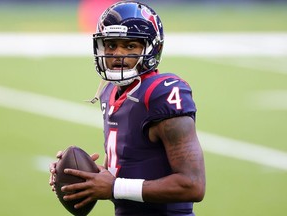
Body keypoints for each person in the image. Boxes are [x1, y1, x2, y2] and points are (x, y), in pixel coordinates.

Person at [49, 1, 206, 215]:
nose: (117, 54)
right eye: (111, 45)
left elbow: (192, 185)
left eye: (130, 46)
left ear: (151, 48)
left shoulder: (161, 94)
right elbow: (125, 171)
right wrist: (82, 175)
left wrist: (114, 187)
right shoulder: (109, 93)